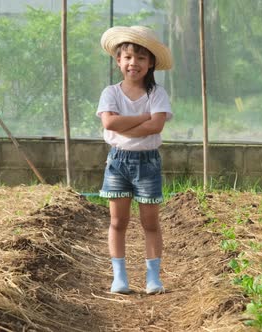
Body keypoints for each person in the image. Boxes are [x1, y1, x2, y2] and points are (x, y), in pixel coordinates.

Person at [96, 26, 173, 295]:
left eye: (141, 58)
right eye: (128, 57)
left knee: (150, 223)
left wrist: (123, 125)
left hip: (148, 163)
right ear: (118, 60)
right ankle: (120, 277)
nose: (134, 63)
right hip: (117, 162)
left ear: (151, 63)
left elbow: (157, 126)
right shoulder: (111, 93)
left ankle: (153, 277)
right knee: (118, 222)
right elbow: (109, 121)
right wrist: (144, 117)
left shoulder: (157, 94)